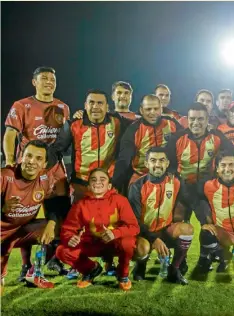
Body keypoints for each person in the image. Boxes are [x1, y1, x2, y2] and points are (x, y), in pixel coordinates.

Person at [3, 66, 70, 279]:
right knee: (24, 215)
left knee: (58, 215)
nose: (49, 82)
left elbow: (66, 136)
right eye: (44, 78)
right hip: (29, 169)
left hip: (54, 171)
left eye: (52, 78)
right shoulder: (22, 105)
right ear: (34, 82)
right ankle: (25, 265)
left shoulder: (62, 107)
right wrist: (12, 162)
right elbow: (10, 135)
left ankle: (53, 260)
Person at [56, 168, 139, 291]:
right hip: (92, 243)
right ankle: (90, 269)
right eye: (93, 180)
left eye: (102, 179)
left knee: (128, 242)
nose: (98, 182)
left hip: (114, 242)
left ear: (109, 185)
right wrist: (70, 238)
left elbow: (134, 227)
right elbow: (67, 229)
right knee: (62, 251)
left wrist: (115, 233)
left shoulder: (120, 200)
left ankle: (123, 274)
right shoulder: (80, 204)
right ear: (89, 186)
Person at [48, 89, 131, 203]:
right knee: (81, 219)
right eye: (91, 102)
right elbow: (56, 150)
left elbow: (141, 123)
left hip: (108, 184)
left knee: (109, 219)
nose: (95, 106)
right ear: (85, 106)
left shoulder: (117, 121)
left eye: (100, 103)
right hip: (81, 185)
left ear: (107, 107)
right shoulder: (73, 124)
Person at [1, 140, 61, 292]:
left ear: (45, 164)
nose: (32, 162)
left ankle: (34, 273)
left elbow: (52, 204)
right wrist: (2, 208)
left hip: (21, 231)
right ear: (21, 156)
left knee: (61, 231)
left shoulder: (45, 179)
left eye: (38, 158)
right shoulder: (4, 176)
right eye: (28, 156)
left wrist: (52, 223)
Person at [128, 147, 194, 285]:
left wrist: (192, 217)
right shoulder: (137, 186)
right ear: (146, 164)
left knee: (187, 229)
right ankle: (140, 265)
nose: (157, 164)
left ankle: (174, 269)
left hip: (166, 230)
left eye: (161, 160)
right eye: (153, 160)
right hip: (144, 233)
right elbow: (133, 221)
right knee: (142, 249)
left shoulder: (176, 182)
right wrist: (153, 239)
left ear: (167, 163)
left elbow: (190, 202)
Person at [167, 102, 234, 222]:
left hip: (206, 188)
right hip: (182, 190)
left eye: (200, 119)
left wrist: (218, 175)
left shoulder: (217, 136)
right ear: (187, 119)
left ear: (207, 120)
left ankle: (210, 239)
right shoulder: (177, 138)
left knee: (209, 224)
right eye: (192, 119)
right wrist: (178, 182)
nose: (196, 123)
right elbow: (168, 165)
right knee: (179, 224)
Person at [112, 94, 182, 189]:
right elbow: (124, 160)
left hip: (167, 176)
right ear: (141, 111)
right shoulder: (133, 130)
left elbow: (187, 137)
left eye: (156, 109)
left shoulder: (171, 123)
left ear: (161, 109)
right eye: (148, 109)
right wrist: (114, 185)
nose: (152, 112)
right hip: (141, 177)